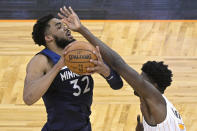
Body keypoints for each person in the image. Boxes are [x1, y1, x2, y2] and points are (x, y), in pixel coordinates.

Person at [58, 6, 186, 131]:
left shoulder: (156, 99)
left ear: (155, 86)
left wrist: (82, 30)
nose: (137, 80)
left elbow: (117, 63)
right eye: (140, 76)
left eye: (142, 79)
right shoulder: (152, 105)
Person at [23, 13, 123, 131]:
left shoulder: (81, 52)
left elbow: (117, 84)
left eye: (64, 25)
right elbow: (28, 98)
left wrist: (106, 71)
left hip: (84, 127)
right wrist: (57, 67)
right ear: (49, 37)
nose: (65, 27)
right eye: (59, 27)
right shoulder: (41, 61)